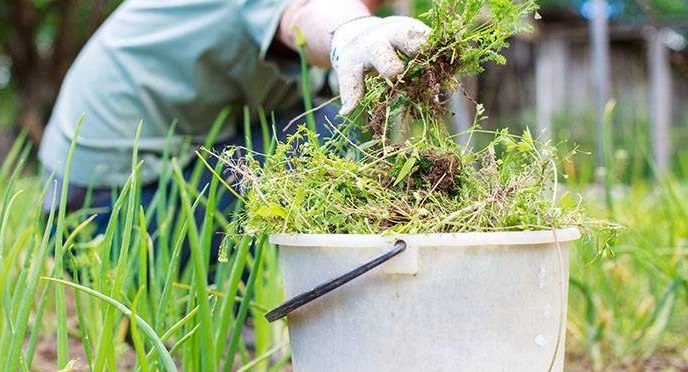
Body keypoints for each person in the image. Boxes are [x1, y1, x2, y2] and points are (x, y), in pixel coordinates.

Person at [39, 0, 430, 224]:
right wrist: (353, 28)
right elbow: (305, 12)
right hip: (102, 212)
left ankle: (233, 294)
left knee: (322, 115)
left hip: (116, 194)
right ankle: (220, 299)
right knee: (331, 128)